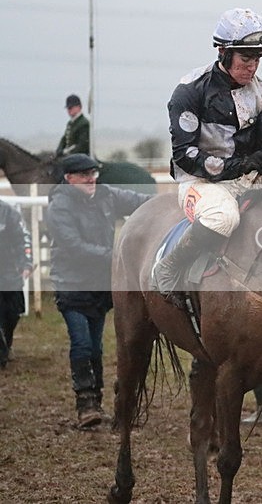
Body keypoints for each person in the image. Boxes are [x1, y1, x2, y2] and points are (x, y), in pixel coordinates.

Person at [154, 7, 262, 304]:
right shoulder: (189, 90)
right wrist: (241, 165)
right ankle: (169, 267)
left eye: (258, 59)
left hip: (247, 179)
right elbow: (185, 155)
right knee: (223, 217)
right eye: (246, 58)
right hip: (200, 183)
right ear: (223, 52)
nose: (252, 67)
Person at [44, 154, 151, 429]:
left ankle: (96, 402)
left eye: (93, 173)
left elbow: (140, 202)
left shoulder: (106, 194)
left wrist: (170, 203)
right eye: (85, 175)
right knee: (82, 343)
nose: (92, 179)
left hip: (100, 287)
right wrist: (116, 255)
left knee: (96, 346)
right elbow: (74, 246)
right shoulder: (59, 206)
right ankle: (85, 403)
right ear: (69, 179)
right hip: (72, 285)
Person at [0, 199, 33, 368]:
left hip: (9, 272)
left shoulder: (8, 212)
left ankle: (7, 343)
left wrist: (26, 263)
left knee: (12, 313)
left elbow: (23, 238)